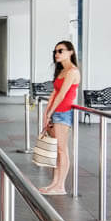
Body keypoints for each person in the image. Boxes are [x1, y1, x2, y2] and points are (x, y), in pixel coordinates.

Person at [39, 41, 80, 195]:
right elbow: (54, 93)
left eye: (61, 51)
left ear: (70, 52)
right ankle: (54, 183)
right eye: (55, 51)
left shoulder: (72, 71)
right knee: (57, 150)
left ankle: (60, 186)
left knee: (62, 150)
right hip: (56, 112)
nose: (57, 54)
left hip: (63, 113)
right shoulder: (62, 71)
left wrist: (51, 112)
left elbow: (63, 94)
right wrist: (46, 112)